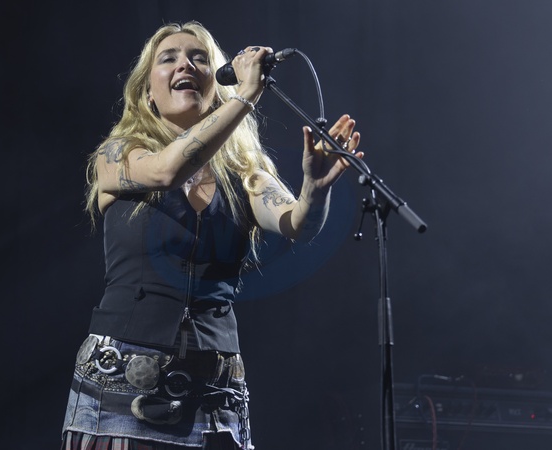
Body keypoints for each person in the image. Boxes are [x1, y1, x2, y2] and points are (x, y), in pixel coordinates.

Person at [61, 21, 363, 450]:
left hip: (215, 392)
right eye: (168, 58)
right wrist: (246, 96)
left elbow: (298, 224)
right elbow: (165, 171)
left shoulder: (247, 173)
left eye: (199, 57)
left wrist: (315, 188)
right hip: (120, 385)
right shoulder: (118, 154)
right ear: (148, 93)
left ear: (217, 84)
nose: (185, 64)